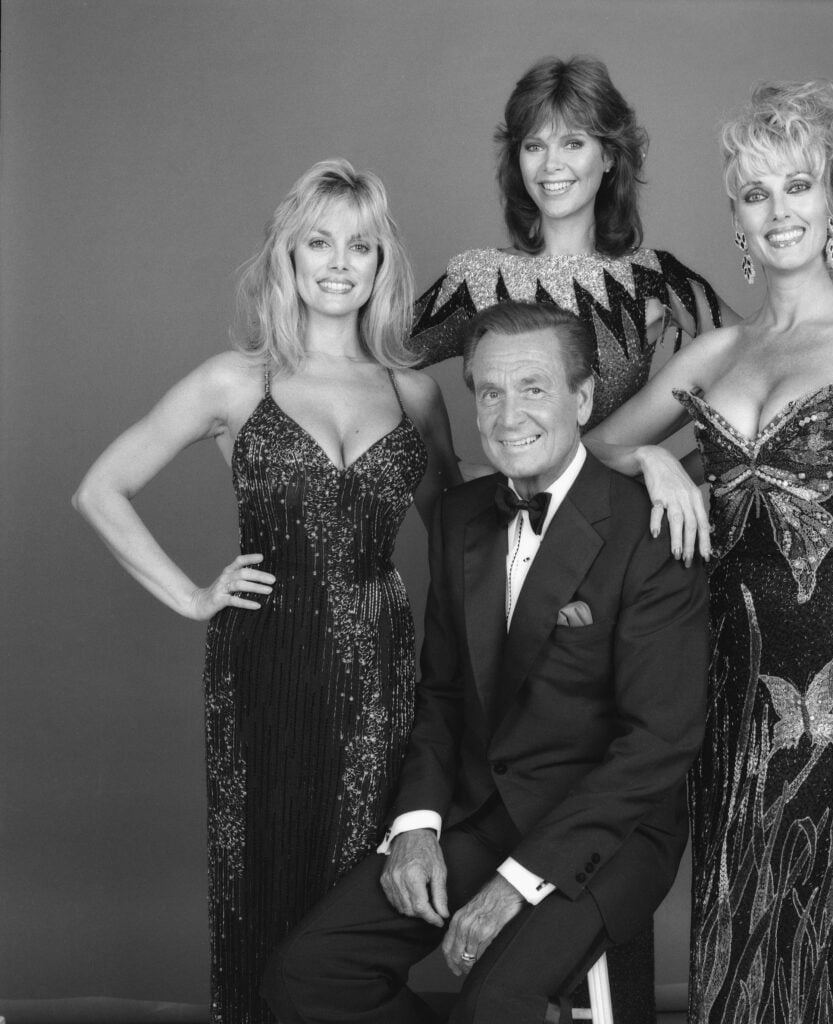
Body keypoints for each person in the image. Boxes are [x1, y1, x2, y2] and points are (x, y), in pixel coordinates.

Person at [72, 159, 460, 1024]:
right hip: (263, 663)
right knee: (260, 869)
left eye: (359, 245)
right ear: (286, 255)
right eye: (318, 241)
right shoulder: (233, 380)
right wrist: (190, 595)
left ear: (380, 264)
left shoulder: (414, 392)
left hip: (380, 669)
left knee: (355, 876)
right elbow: (101, 488)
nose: (338, 262)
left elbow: (464, 541)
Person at [585, 81, 833, 1023]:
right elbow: (597, 453)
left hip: (829, 658)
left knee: (802, 891)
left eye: (798, 186)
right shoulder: (717, 352)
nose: (778, 210)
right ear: (736, 213)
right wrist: (659, 464)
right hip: (715, 657)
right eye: (755, 192)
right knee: (729, 889)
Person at [259, 301, 709, 1024]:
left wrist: (519, 881)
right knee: (310, 973)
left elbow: (657, 745)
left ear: (583, 398)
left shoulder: (650, 530)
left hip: (606, 829)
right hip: (481, 809)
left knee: (496, 1004)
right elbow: (441, 697)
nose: (507, 414)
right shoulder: (461, 519)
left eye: (533, 388)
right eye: (489, 392)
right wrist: (414, 825)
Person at [408, 55, 733, 1015]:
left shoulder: (661, 282)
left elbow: (757, 387)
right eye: (534, 143)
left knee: (604, 828)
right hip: (502, 574)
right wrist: (449, 476)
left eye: (575, 141)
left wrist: (666, 462)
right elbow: (380, 375)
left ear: (611, 158)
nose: (552, 162)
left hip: (614, 576)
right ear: (516, 161)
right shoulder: (475, 277)